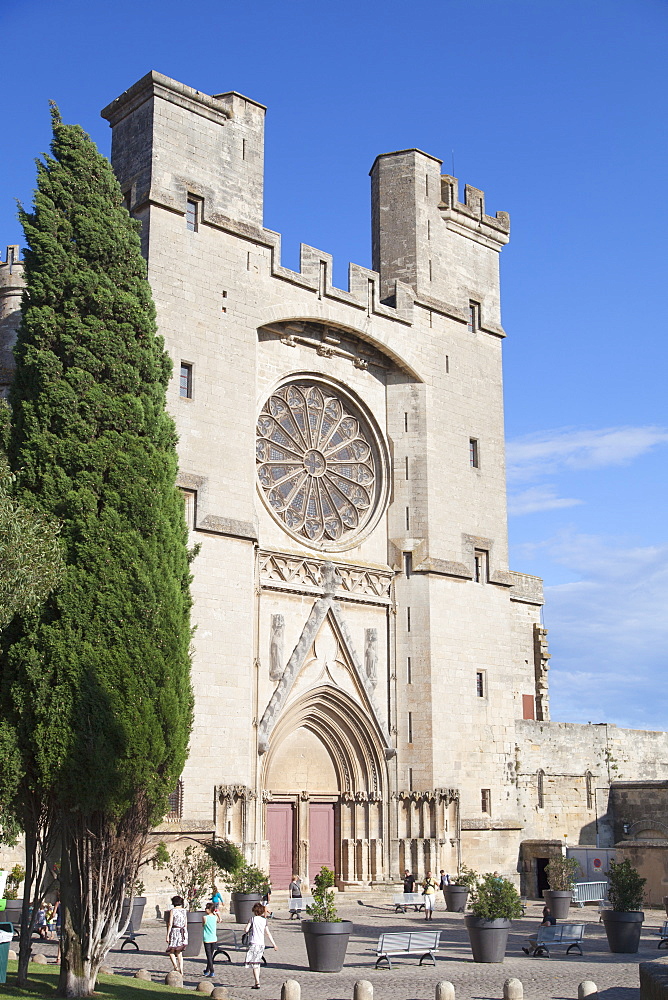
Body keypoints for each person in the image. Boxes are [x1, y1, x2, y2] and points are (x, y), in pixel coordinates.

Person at [244, 902, 277, 988]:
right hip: (261, 944)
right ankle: (257, 981)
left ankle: (257, 982)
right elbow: (268, 933)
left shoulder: (252, 919)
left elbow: (246, 930)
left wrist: (247, 929)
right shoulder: (264, 920)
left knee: (254, 964)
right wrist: (274, 944)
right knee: (257, 963)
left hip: (254, 943)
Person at [166, 895, 188, 975]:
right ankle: (181, 969)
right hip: (182, 931)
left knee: (171, 951)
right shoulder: (184, 910)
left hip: (175, 931)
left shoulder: (173, 911)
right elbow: (185, 923)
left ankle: (176, 967)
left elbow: (170, 923)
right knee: (179, 952)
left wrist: (168, 934)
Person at [202, 901, 221, 977]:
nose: (205, 909)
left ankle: (212, 970)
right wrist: (217, 914)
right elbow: (219, 919)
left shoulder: (205, 917)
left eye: (207, 908)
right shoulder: (215, 917)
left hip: (207, 938)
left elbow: (203, 925)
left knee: (209, 955)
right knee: (210, 955)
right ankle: (207, 970)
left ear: (210, 910)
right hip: (213, 938)